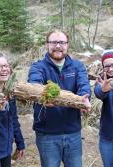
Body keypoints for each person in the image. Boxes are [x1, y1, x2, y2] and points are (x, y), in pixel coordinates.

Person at [28, 29, 91, 167]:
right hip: (47, 134)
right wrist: (42, 97)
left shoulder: (77, 66)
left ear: (67, 45)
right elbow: (35, 84)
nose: (58, 46)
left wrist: (84, 99)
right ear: (47, 45)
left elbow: (84, 86)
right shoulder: (38, 67)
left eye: (62, 42)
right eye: (54, 42)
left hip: (73, 132)